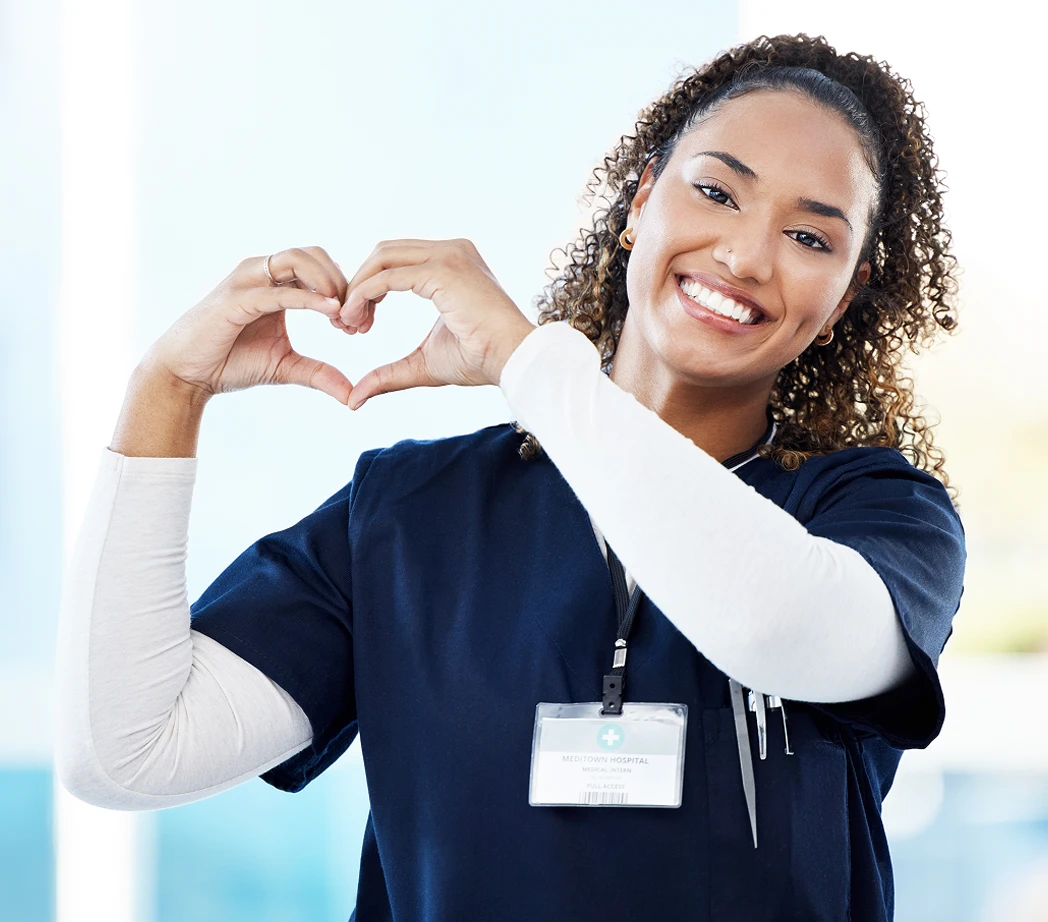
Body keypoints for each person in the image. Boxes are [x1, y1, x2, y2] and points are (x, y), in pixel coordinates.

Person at [55, 32, 966, 922]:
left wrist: (530, 363)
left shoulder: (879, 516)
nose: (745, 255)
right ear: (640, 202)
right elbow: (128, 753)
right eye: (718, 191)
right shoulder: (412, 515)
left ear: (844, 296)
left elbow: (769, 620)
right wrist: (168, 388)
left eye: (810, 237)